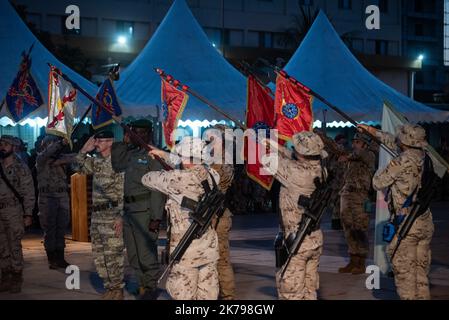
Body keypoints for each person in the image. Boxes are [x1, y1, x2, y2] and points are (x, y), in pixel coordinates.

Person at [360, 123, 434, 300]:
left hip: (406, 225)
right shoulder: (426, 157)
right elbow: (393, 142)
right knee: (420, 276)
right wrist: (371, 131)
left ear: (406, 140)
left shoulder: (401, 160)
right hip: (424, 222)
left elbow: (377, 182)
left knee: (405, 279)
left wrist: (385, 165)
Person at [143, 136, 220, 300]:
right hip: (209, 249)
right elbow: (194, 167)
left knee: (183, 296)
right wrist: (164, 155)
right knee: (208, 296)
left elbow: (147, 179)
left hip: (186, 252)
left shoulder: (175, 179)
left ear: (183, 157)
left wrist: (160, 161)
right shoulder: (213, 176)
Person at [261, 131, 327, 300]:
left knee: (291, 293)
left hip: (297, 240)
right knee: (309, 291)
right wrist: (276, 146)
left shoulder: (293, 171)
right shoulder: (322, 169)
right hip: (314, 238)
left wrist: (263, 144)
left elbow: (265, 160)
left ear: (301, 153)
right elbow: (300, 157)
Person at [111, 119, 165, 300]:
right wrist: (124, 142)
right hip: (128, 211)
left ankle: (150, 289)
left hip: (145, 211)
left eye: (140, 132)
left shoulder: (153, 155)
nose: (137, 136)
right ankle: (142, 285)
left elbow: (158, 189)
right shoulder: (130, 152)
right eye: (134, 132)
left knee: (146, 254)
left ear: (147, 134)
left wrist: (156, 217)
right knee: (133, 254)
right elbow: (116, 164)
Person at [73, 131, 125, 300]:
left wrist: (120, 216)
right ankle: (109, 287)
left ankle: (118, 289)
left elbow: (123, 192)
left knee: (113, 255)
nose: (96, 144)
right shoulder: (97, 162)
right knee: (99, 256)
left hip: (112, 217)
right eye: (95, 141)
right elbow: (77, 167)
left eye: (99, 141)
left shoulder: (118, 163)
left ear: (110, 142)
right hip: (97, 217)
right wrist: (83, 149)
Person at [337, 132, 376, 274]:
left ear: (365, 144)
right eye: (353, 142)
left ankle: (361, 262)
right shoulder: (352, 157)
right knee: (348, 227)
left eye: (358, 142)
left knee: (360, 228)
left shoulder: (369, 155)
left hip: (360, 196)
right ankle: (352, 259)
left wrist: (347, 156)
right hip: (347, 194)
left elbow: (360, 154)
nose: (354, 144)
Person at [0, 135, 34, 293]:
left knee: (14, 245)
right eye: (1, 144)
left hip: (14, 211)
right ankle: (5, 276)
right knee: (2, 246)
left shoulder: (21, 167)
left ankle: (16, 277)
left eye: (6, 144)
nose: (2, 147)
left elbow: (28, 192)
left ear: (13, 148)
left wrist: (28, 214)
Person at [205, 125, 236, 300]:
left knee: (221, 259)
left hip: (217, 217)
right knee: (209, 259)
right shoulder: (212, 158)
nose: (207, 141)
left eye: (211, 138)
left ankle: (228, 297)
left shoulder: (222, 161)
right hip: (209, 215)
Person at [36, 134, 72, 269]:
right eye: (50, 144)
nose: (53, 147)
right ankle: (52, 259)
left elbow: (75, 157)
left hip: (62, 197)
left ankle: (60, 258)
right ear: (45, 146)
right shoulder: (41, 159)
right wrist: (61, 143)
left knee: (61, 229)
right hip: (47, 198)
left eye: (54, 144)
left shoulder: (61, 159)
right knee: (49, 230)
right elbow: (47, 153)